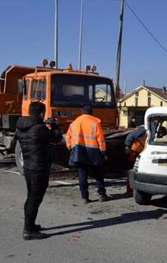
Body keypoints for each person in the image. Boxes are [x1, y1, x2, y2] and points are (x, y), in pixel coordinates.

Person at [15, 102, 62, 240]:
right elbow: (57, 138)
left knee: (31, 196)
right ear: (41, 113)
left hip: (28, 167)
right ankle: (28, 230)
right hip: (39, 167)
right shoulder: (39, 128)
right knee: (34, 199)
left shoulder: (21, 127)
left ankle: (30, 225)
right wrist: (54, 126)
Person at [66, 105, 109, 204]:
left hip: (78, 151)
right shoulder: (95, 122)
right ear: (91, 113)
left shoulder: (74, 123)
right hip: (93, 151)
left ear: (82, 112)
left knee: (82, 174)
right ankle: (102, 194)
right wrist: (103, 152)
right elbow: (100, 139)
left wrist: (70, 148)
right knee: (98, 174)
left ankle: (84, 197)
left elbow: (68, 137)